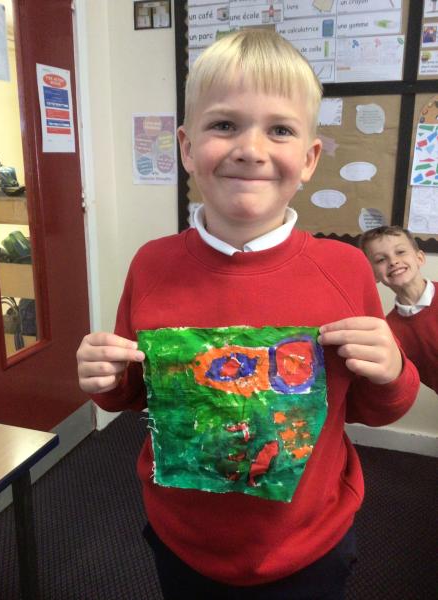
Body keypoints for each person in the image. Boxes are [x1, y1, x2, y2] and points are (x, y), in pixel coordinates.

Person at [76, 30, 419, 600]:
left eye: (279, 130)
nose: (251, 149)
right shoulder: (152, 264)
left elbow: (367, 407)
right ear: (187, 148)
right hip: (183, 538)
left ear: (309, 158)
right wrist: (105, 379)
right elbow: (137, 394)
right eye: (224, 125)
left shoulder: (345, 269)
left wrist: (392, 372)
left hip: (308, 543)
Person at [360, 225, 437, 394]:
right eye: (381, 259)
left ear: (419, 258)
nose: (393, 261)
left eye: (400, 252)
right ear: (373, 275)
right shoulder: (388, 333)